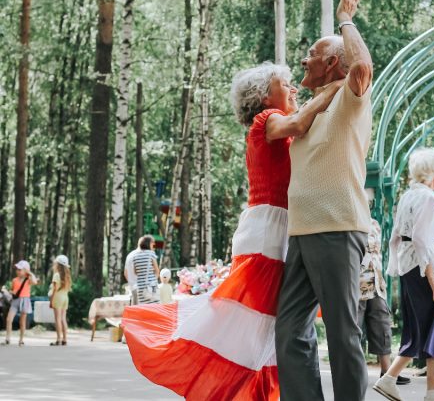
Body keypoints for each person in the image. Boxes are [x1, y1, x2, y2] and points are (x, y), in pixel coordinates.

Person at [121, 62, 342, 400]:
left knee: (266, 325)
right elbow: (299, 121)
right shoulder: (265, 120)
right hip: (268, 230)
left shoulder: (279, 126)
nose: (294, 88)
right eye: (286, 84)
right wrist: (334, 87)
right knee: (252, 322)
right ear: (265, 96)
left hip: (281, 226)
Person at [275, 0, 373, 401]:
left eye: (313, 53)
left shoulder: (350, 99)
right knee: (289, 329)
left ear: (333, 61)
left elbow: (363, 67)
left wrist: (346, 19)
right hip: (301, 233)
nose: (304, 58)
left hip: (337, 227)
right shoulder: (310, 108)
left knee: (341, 331)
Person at [374, 147, 434, 401]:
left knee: (423, 328)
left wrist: (396, 268)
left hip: (409, 268)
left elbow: (396, 236)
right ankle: (399, 382)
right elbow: (422, 238)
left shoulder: (408, 196)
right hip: (425, 268)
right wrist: (431, 275)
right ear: (431, 172)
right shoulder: (429, 198)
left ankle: (420, 388)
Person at [359, 218, 411, 385]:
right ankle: (354, 372)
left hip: (376, 284)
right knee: (353, 329)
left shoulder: (374, 224)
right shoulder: (349, 220)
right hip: (355, 285)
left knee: (383, 325)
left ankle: (387, 372)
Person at [3, 260, 38, 346]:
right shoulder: (14, 280)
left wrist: (29, 273)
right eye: (17, 269)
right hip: (15, 301)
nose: (17, 271)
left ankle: (21, 339)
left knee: (22, 322)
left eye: (20, 269)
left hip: (25, 300)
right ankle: (8, 338)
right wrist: (11, 292)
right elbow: (12, 289)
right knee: (9, 319)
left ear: (25, 270)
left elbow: (35, 282)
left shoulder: (28, 280)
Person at [124, 235, 160, 305]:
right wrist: (153, 279)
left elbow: (135, 272)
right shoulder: (151, 254)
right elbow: (157, 271)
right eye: (153, 243)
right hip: (152, 286)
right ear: (149, 244)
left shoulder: (134, 256)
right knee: (155, 306)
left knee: (143, 307)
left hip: (140, 286)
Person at [49, 255, 72, 346]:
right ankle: (65, 339)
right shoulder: (67, 276)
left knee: (57, 319)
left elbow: (54, 289)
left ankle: (58, 339)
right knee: (63, 319)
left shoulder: (56, 275)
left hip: (57, 298)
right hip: (65, 298)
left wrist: (51, 301)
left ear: (58, 264)